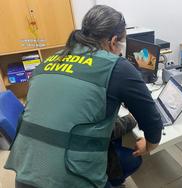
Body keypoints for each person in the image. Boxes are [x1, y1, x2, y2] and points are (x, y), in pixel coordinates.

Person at [5, 5, 163, 188]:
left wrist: (128, 121)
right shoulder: (118, 67)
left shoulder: (48, 61)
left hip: (24, 176)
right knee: (131, 160)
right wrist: (149, 145)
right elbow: (153, 123)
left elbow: (70, 120)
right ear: (113, 41)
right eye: (121, 44)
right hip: (68, 180)